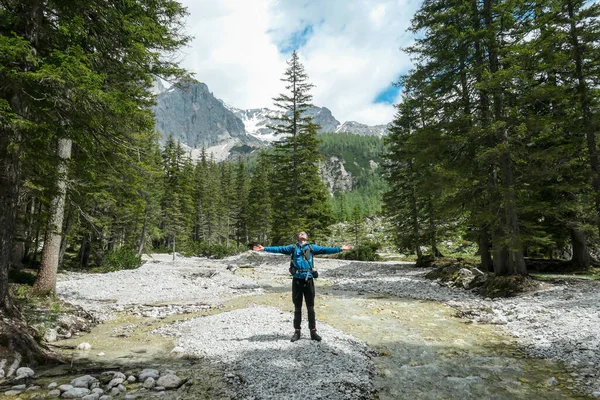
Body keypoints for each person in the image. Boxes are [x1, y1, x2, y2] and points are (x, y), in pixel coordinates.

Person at [253, 231, 352, 342]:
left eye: (304, 233)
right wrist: (264, 248)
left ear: (306, 237)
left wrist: (340, 249)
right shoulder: (293, 247)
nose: (302, 234)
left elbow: (326, 249)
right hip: (297, 280)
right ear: (298, 237)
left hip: (308, 279)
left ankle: (313, 332)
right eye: (300, 233)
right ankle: (297, 332)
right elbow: (279, 249)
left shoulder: (311, 247)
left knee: (310, 307)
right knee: (297, 308)